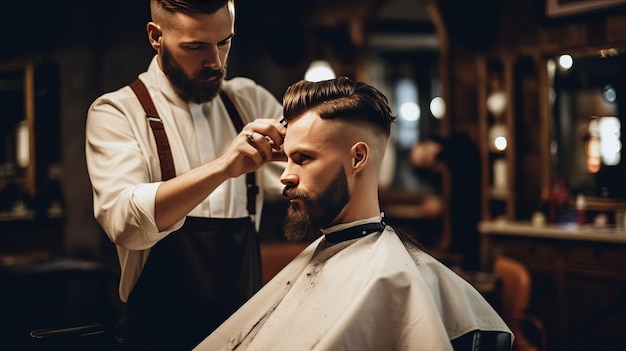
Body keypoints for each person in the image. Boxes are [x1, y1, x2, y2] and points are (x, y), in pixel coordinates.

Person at [194, 77, 513, 350]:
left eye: (302, 158)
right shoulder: (333, 254)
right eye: (287, 158)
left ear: (358, 157)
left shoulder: (393, 279)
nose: (284, 175)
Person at [85, 0, 286, 349]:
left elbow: (301, 176)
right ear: (155, 36)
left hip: (244, 336)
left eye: (224, 42)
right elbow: (125, 222)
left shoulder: (249, 102)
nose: (216, 61)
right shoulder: (118, 112)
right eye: (195, 47)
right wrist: (224, 167)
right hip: (158, 337)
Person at [411, 133, 482, 271]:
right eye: (426, 161)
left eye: (426, 150)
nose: (432, 156)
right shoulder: (441, 182)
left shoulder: (459, 147)